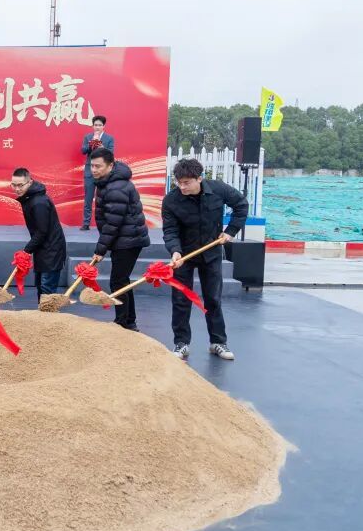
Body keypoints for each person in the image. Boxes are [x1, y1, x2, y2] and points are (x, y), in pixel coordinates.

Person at [162, 157, 249, 361]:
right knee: (181, 299)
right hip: (184, 254)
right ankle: (181, 343)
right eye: (179, 182)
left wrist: (231, 231)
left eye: (186, 182)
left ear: (199, 179)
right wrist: (175, 251)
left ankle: (218, 342)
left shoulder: (218, 190)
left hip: (211, 252)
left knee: (213, 298)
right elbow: (170, 230)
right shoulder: (171, 200)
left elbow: (241, 205)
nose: (182, 187)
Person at [89, 148, 151, 331]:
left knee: (118, 281)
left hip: (128, 239)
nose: (94, 170)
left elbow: (113, 223)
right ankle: (129, 320)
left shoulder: (116, 187)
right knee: (122, 280)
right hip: (124, 238)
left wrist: (100, 250)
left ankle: (123, 323)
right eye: (92, 166)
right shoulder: (108, 182)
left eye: (98, 166)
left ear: (110, 166)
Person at [11, 167, 67, 305]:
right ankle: (42, 315)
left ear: (29, 182)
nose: (17, 189)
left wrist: (26, 251)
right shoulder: (30, 197)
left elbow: (42, 231)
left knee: (47, 290)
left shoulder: (38, 202)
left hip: (52, 250)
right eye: (14, 185)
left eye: (20, 185)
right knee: (41, 287)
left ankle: (48, 317)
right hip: (42, 248)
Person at [81, 115, 116, 231]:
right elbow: (83, 151)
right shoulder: (88, 137)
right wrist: (91, 143)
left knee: (105, 197)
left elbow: (111, 154)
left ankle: (106, 222)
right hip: (90, 171)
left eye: (100, 125)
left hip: (104, 171)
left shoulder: (109, 138)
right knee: (88, 197)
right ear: (92, 126)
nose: (97, 127)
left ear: (103, 126)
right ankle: (86, 223)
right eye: (95, 125)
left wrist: (102, 147)